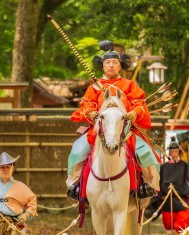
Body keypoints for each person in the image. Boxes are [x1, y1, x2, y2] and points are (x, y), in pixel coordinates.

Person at [66, 40, 159, 201]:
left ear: (120, 66)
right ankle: (75, 185)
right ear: (102, 66)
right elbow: (85, 105)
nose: (110, 65)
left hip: (126, 131)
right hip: (99, 132)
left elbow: (140, 103)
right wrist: (91, 113)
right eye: (107, 62)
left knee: (147, 153)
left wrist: (134, 113)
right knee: (77, 150)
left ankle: (148, 184)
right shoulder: (95, 86)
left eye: (114, 62)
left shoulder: (129, 85)